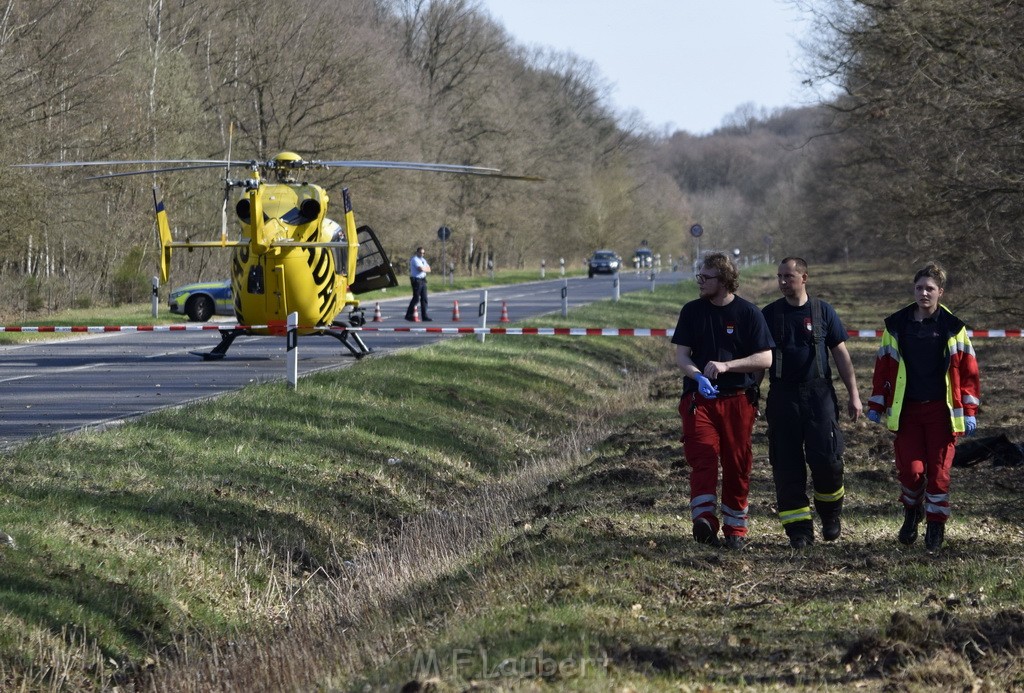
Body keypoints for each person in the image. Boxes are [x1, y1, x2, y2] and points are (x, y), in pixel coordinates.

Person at [867, 262, 980, 553]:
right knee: (912, 472)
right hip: (908, 412)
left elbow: (968, 373)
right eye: (919, 288)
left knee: (940, 474)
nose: (924, 293)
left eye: (930, 288)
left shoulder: (954, 328)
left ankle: (935, 525)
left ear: (940, 292)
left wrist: (968, 411)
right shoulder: (896, 325)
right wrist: (877, 402)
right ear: (913, 290)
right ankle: (912, 509)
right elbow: (884, 367)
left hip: (942, 413)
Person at [672, 252, 774, 550]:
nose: (700, 283)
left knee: (736, 463)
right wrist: (697, 377)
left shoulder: (749, 314)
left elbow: (765, 358)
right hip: (698, 399)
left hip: (738, 400)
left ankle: (735, 529)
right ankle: (704, 519)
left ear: (725, 280)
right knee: (702, 455)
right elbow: (681, 355)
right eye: (699, 277)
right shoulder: (692, 311)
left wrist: (728, 366)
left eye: (706, 278)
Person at [761, 258, 863, 549]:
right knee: (786, 466)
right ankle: (799, 531)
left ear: (804, 277)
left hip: (819, 396)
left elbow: (841, 355)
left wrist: (853, 394)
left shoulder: (823, 312)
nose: (782, 281)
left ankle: (830, 515)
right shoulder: (769, 314)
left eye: (788, 276)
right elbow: (759, 360)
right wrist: (752, 394)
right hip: (782, 397)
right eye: (779, 276)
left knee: (828, 460)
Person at [405, 246, 432, 321]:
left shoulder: (423, 260)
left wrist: (424, 269)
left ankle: (425, 316)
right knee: (416, 298)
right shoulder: (415, 259)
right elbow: (420, 269)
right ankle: (408, 315)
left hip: (423, 280)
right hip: (416, 280)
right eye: (420, 252)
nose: (422, 254)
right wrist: (424, 268)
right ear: (417, 252)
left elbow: (429, 269)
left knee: (424, 299)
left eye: (423, 253)